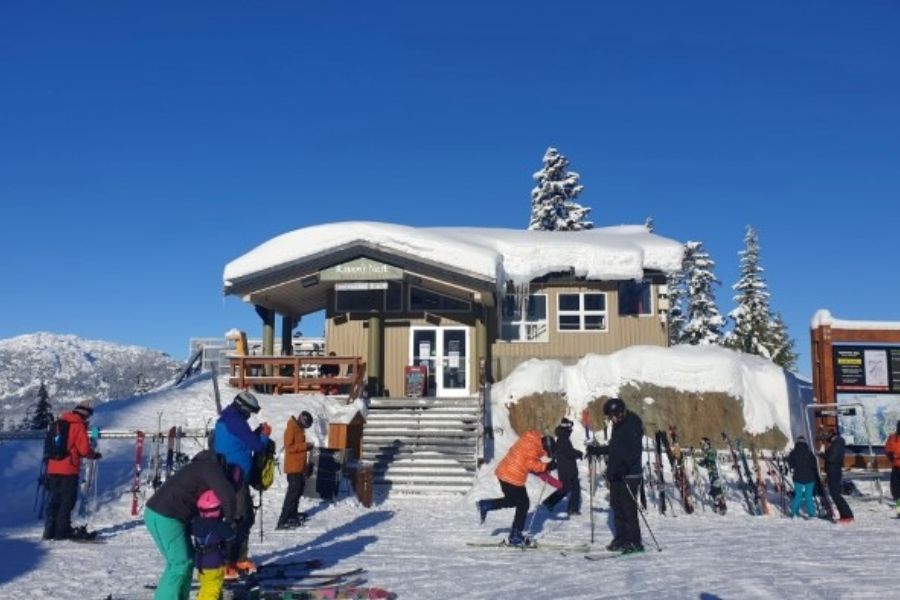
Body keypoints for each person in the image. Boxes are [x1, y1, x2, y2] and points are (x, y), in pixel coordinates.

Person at [145, 450, 236, 600]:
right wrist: (230, 521)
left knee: (185, 562)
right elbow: (227, 495)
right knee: (180, 564)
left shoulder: (197, 467)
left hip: (158, 513)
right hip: (167, 515)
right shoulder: (210, 468)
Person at [213, 391, 271, 577]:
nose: (250, 415)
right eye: (250, 412)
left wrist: (255, 434)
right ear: (244, 408)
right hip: (235, 480)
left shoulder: (227, 419)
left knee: (241, 518)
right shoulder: (237, 422)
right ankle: (229, 561)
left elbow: (243, 442)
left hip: (228, 477)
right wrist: (263, 436)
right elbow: (257, 446)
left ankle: (237, 558)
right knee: (239, 519)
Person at [587, 397, 645, 554]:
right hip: (616, 474)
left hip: (629, 474)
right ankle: (621, 538)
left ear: (620, 412)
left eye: (611, 416)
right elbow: (615, 448)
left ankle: (634, 541)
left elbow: (633, 451)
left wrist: (623, 468)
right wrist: (597, 451)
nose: (610, 420)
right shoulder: (618, 425)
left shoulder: (632, 424)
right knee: (617, 507)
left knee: (628, 508)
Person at [476, 429, 549, 547]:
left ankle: (486, 504)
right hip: (512, 477)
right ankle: (515, 536)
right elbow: (532, 464)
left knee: (512, 500)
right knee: (523, 503)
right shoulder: (532, 450)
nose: (545, 454)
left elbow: (536, 453)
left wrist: (546, 456)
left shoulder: (530, 438)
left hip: (504, 473)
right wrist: (547, 466)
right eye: (546, 452)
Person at [43, 402, 102, 541]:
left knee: (55, 499)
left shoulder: (57, 424)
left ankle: (49, 530)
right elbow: (84, 449)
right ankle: (62, 532)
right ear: (85, 414)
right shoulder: (78, 426)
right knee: (67, 501)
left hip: (52, 467)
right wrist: (94, 455)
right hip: (68, 468)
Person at [191, 489, 236, 600]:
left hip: (201, 563)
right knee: (212, 588)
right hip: (214, 564)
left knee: (206, 587)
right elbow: (230, 535)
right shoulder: (218, 525)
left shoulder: (196, 522)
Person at [277, 410, 314, 529]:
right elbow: (289, 447)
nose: (305, 428)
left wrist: (306, 448)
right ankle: (283, 519)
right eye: (305, 425)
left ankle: (292, 514)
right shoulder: (291, 427)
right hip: (293, 468)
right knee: (292, 494)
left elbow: (298, 448)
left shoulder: (299, 428)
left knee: (298, 491)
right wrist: (304, 446)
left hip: (299, 467)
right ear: (301, 420)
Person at [541, 418, 583, 515]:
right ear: (566, 427)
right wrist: (578, 454)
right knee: (573, 488)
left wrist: (576, 453)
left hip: (565, 468)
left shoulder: (562, 437)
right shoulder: (563, 438)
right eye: (570, 427)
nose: (571, 429)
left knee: (566, 488)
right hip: (567, 469)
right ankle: (572, 509)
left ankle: (549, 503)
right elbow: (568, 452)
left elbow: (567, 451)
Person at [823, 429, 854, 523]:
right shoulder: (837, 443)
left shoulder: (838, 443)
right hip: (833, 470)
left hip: (834, 471)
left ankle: (847, 515)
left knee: (835, 494)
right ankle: (845, 515)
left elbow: (832, 458)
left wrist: (823, 455)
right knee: (835, 493)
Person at [786, 435, 818, 519]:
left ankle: (793, 512)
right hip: (810, 477)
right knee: (808, 496)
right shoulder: (809, 452)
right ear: (805, 442)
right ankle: (811, 513)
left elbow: (790, 465)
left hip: (798, 477)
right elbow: (814, 465)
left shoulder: (793, 452)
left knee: (798, 495)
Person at [884, 420, 900, 517]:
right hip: (896, 467)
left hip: (896, 466)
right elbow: (888, 450)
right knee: (896, 491)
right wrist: (892, 456)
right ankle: (899, 510)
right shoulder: (893, 438)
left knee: (897, 491)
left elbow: (888, 450)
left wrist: (894, 456)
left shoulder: (893, 437)